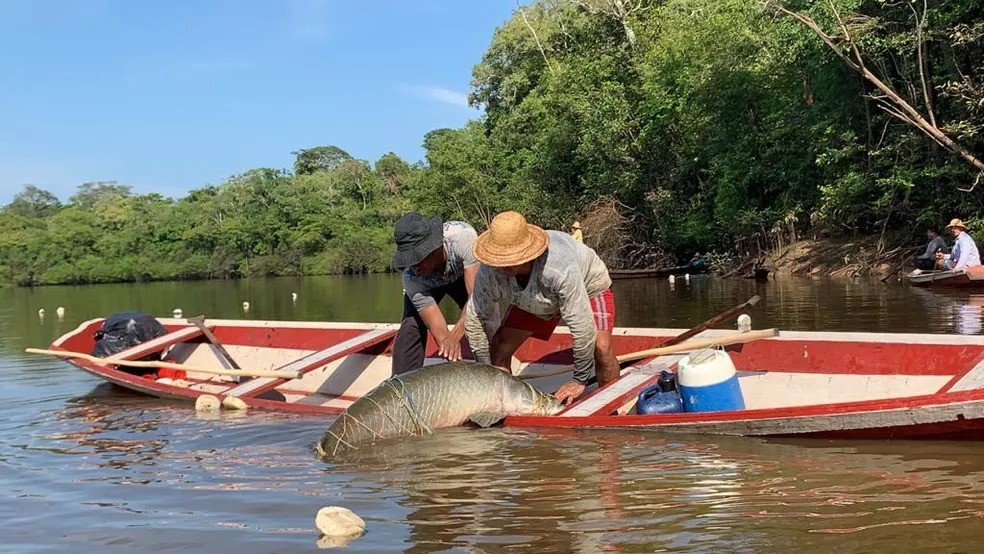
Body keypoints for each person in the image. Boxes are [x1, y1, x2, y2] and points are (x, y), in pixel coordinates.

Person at [464, 211, 618, 405]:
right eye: (499, 261)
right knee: (500, 346)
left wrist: (580, 379)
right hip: (533, 298)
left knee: (602, 348)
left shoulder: (558, 266)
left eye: (510, 261)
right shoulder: (489, 272)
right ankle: (504, 404)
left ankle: (611, 406)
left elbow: (582, 326)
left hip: (588, 287)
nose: (502, 267)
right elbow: (475, 320)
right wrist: (485, 374)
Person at [391, 212, 479, 374]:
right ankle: (402, 384)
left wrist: (457, 333)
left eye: (418, 260)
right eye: (410, 262)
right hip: (429, 285)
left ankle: (492, 365)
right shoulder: (411, 277)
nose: (414, 267)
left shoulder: (463, 238)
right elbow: (439, 331)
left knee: (485, 312)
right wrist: (450, 347)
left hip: (461, 276)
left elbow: (476, 298)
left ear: (434, 248)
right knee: (411, 326)